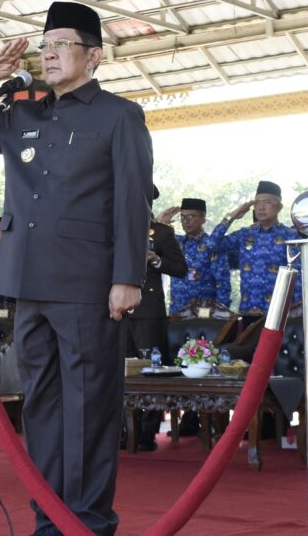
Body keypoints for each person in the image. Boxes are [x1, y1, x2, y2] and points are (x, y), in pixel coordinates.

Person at [0, 0, 154, 535]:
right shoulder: (23, 114)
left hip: (87, 283)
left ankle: (87, 522)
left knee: (89, 407)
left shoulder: (118, 115)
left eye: (62, 45)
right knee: (41, 406)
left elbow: (133, 201)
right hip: (26, 281)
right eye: (45, 46)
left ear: (94, 56)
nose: (50, 54)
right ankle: (48, 516)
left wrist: (127, 278)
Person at [127, 191, 187, 451]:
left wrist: (157, 260)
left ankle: (147, 432)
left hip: (148, 309)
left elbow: (181, 269)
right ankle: (124, 429)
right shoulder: (113, 227)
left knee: (150, 370)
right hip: (115, 310)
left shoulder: (161, 233)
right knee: (120, 371)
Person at [210, 181, 302, 331]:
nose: (260, 207)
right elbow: (212, 245)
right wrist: (231, 217)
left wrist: (296, 315)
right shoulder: (245, 234)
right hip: (248, 312)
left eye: (267, 202)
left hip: (279, 314)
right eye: (257, 202)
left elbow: (297, 276)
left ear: (279, 207)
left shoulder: (290, 236)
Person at [157, 198, 231, 317]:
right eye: (182, 217)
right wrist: (158, 224)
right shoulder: (176, 243)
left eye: (191, 216)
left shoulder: (212, 245)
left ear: (203, 219)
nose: (185, 221)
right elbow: (149, 243)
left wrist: (221, 314)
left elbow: (223, 283)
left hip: (204, 314)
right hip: (177, 312)